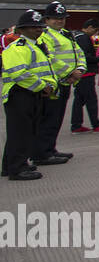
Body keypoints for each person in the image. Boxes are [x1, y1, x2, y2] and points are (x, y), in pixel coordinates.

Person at [2, 10, 58, 180]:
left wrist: (48, 86)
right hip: (20, 94)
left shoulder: (35, 46)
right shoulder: (18, 48)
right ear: (21, 29)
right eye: (32, 27)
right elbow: (19, 73)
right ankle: (17, 169)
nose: (37, 30)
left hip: (31, 94)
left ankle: (12, 165)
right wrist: (42, 86)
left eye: (39, 27)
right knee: (20, 133)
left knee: (26, 132)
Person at [34, 1, 85, 166]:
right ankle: (42, 153)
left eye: (62, 18)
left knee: (56, 118)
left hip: (66, 82)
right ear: (46, 19)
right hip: (54, 84)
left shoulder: (66, 34)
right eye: (55, 18)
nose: (60, 21)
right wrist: (69, 72)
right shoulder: (44, 35)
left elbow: (79, 53)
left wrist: (80, 70)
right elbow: (50, 58)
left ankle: (50, 149)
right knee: (48, 119)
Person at [69, 18, 99, 134]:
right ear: (90, 27)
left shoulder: (76, 36)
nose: (95, 33)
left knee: (79, 100)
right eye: (95, 30)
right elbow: (85, 57)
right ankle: (96, 124)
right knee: (91, 99)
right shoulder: (83, 38)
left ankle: (76, 125)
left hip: (81, 72)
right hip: (86, 73)